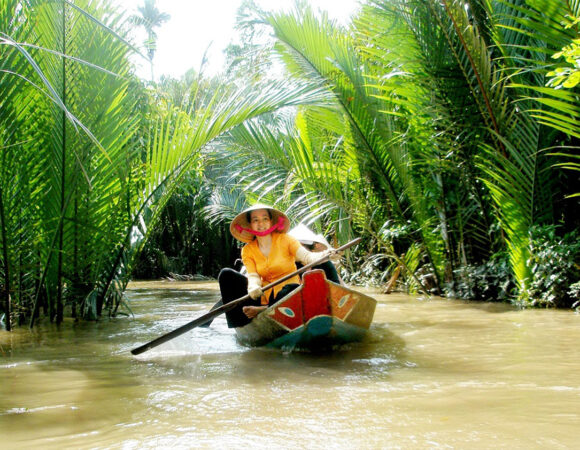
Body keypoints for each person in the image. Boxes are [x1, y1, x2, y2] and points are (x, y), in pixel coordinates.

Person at [217, 204, 333, 328]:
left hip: (288, 295)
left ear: (271, 222)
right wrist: (254, 287)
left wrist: (326, 254)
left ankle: (264, 309)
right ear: (250, 224)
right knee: (226, 274)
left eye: (265, 219)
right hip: (264, 295)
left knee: (291, 289)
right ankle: (241, 326)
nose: (261, 224)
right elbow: (253, 275)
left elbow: (307, 257)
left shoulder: (286, 240)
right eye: (255, 220)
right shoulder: (247, 250)